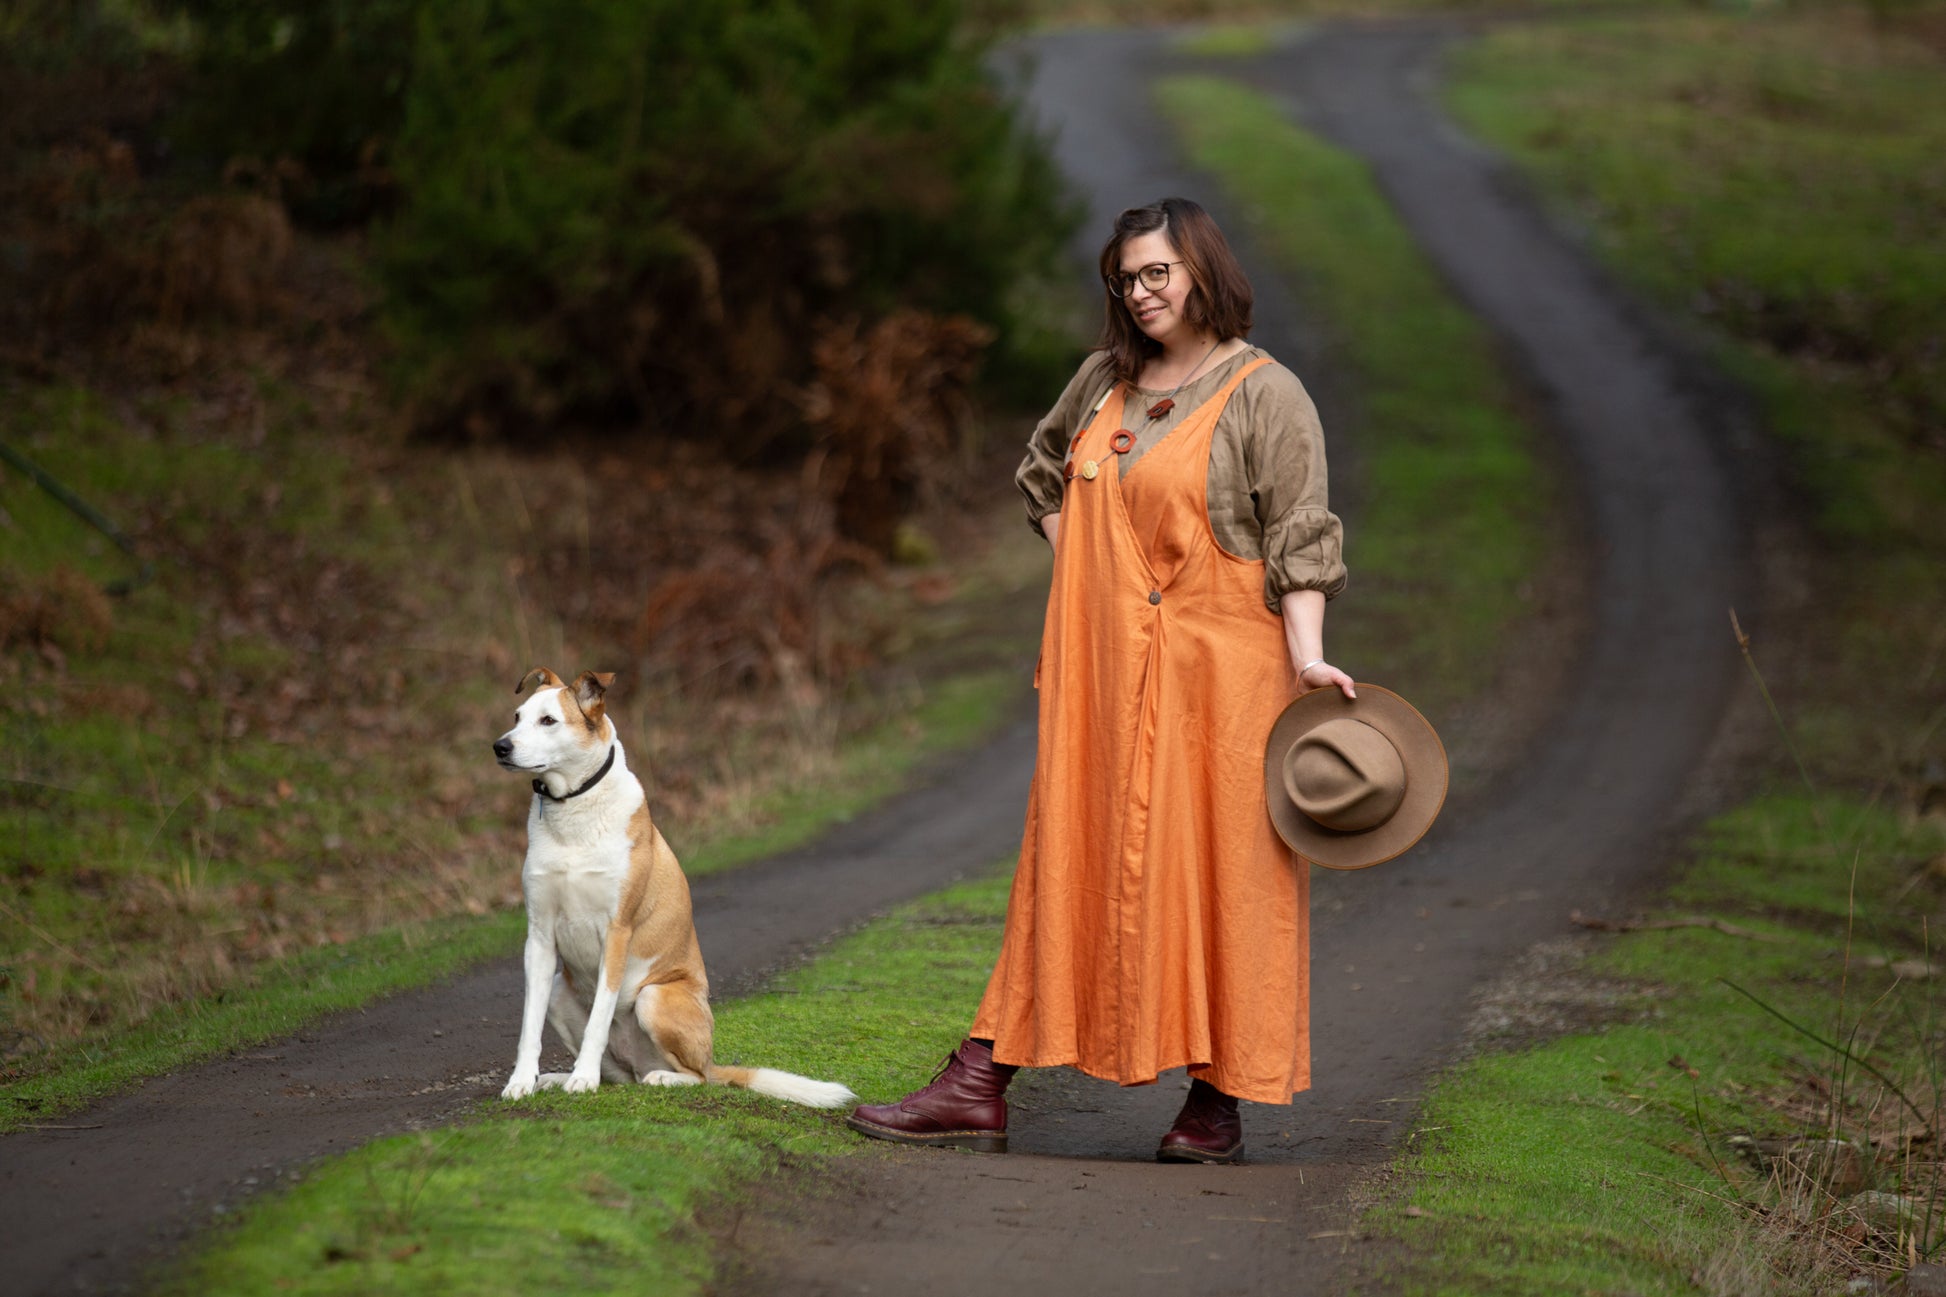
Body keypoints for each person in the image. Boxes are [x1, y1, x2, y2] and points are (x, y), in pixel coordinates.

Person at [849, 197, 1353, 1164]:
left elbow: (1300, 537)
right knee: (1069, 850)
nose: (1140, 291)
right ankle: (980, 1078)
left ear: (1203, 268)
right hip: (1101, 670)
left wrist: (1306, 652)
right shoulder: (1103, 380)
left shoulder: (1267, 392)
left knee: (1223, 870)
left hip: (1225, 672)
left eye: (1157, 271)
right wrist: (1100, 581)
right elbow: (1044, 479)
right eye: (1126, 277)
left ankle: (1217, 1100)